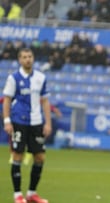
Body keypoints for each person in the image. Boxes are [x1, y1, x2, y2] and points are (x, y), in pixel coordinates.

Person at [3, 48, 51, 203]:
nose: (28, 59)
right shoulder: (13, 78)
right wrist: (7, 120)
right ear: (19, 60)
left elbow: (44, 101)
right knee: (17, 155)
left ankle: (31, 193)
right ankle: (17, 195)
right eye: (24, 57)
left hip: (36, 122)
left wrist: (48, 123)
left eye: (30, 56)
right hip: (19, 121)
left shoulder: (40, 77)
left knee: (40, 157)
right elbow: (7, 100)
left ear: (33, 58)